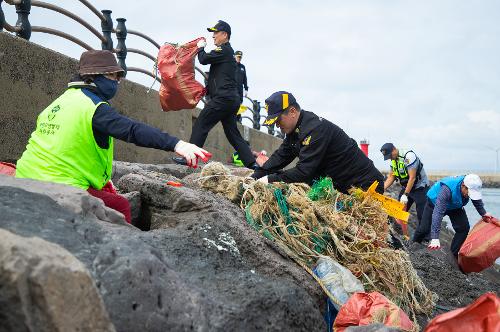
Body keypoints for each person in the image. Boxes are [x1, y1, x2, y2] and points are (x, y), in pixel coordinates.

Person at [15, 50, 211, 223]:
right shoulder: (94, 108)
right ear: (93, 77)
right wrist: (177, 144)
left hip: (25, 177)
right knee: (119, 206)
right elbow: (132, 130)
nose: (117, 81)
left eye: (119, 76)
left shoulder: (60, 102)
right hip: (58, 186)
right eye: (112, 75)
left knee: (107, 194)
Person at [251, 91, 385, 194]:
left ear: (292, 111)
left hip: (365, 185)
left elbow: (304, 172)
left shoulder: (314, 130)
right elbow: (280, 157)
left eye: (278, 121)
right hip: (342, 184)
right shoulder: (295, 131)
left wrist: (270, 179)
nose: (277, 126)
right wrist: (255, 176)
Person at [173, 20, 257, 169]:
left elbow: (204, 59)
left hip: (223, 99)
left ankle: (189, 158)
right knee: (233, 133)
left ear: (225, 35)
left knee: (201, 124)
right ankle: (252, 163)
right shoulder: (227, 52)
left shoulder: (224, 50)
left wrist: (200, 48)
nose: (213, 36)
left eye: (216, 33)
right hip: (231, 100)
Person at [413, 174, 493, 258]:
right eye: (469, 193)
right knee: (424, 229)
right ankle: (413, 245)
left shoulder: (470, 183)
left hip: (455, 206)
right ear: (463, 186)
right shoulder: (447, 190)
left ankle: (452, 255)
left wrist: (483, 213)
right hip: (434, 203)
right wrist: (435, 238)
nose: (470, 195)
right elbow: (438, 212)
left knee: (463, 228)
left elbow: (476, 200)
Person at [380, 143, 430, 237]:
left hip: (420, 187)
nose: (390, 158)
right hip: (406, 187)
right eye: (388, 157)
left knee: (422, 214)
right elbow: (391, 177)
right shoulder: (393, 161)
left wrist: (405, 195)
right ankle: (405, 236)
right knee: (399, 212)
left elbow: (412, 178)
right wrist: (381, 189)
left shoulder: (408, 156)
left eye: (390, 155)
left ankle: (426, 238)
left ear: (394, 149)